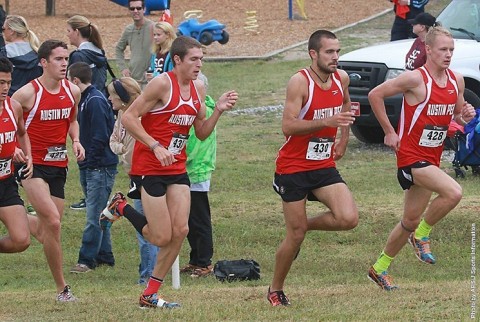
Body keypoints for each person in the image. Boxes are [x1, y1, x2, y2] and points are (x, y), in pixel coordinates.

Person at [101, 36, 238, 308]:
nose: (199, 64)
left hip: (176, 166)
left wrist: (218, 111)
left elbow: (200, 131)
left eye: (201, 59)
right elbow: (129, 117)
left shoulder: (198, 88)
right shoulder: (162, 83)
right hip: (149, 166)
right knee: (161, 236)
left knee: (181, 230)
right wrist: (154, 145)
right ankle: (121, 207)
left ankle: (149, 294)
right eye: (193, 59)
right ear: (177, 60)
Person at [367, 26, 476, 290]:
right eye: (442, 49)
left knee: (409, 220)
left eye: (451, 50)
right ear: (428, 50)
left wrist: (466, 115)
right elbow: (375, 94)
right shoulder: (415, 79)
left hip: (432, 158)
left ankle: (379, 268)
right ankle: (422, 236)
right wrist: (389, 131)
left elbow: (458, 115)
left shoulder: (456, 81)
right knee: (453, 192)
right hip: (411, 156)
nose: (448, 54)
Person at [268, 29, 358, 307]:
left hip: (323, 164)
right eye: (329, 52)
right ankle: (275, 290)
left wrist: (342, 139)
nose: (335, 57)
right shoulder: (300, 82)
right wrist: (326, 122)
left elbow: (346, 107)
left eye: (338, 52)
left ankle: (301, 228)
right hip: (293, 167)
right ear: (313, 54)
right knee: (293, 236)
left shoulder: (340, 78)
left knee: (348, 218)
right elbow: (288, 126)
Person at [12, 39, 84, 302]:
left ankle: (13, 214)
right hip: (32, 165)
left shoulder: (72, 91)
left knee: (46, 232)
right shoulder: (26, 94)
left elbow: (72, 119)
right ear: (43, 62)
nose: (64, 64)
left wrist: (75, 140)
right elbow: (7, 120)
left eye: (66, 59)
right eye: (58, 59)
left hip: (58, 166)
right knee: (53, 221)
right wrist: (14, 150)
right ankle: (63, 289)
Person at [107, 76, 159, 285]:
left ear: (123, 96)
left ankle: (148, 276)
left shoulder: (137, 117)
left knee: (147, 229)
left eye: (112, 96)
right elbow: (114, 141)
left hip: (145, 175)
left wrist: (122, 149)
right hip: (133, 175)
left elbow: (130, 150)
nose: (110, 100)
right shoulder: (121, 114)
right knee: (145, 229)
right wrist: (120, 148)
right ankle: (147, 272)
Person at [67, 62, 118, 273]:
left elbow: (100, 136)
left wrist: (90, 162)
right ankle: (104, 254)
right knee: (100, 212)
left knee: (93, 215)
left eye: (69, 82)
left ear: (76, 81)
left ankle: (86, 259)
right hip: (90, 166)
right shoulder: (85, 99)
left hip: (99, 167)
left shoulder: (94, 101)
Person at [66, 15, 111, 210]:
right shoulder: (98, 51)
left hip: (85, 104)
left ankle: (93, 197)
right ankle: (97, 195)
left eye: (68, 30)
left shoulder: (78, 55)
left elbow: (71, 84)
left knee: (85, 146)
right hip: (100, 102)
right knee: (97, 143)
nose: (67, 35)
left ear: (76, 32)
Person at [1, 15, 42, 216]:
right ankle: (34, 199)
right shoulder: (36, 53)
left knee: (8, 153)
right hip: (32, 111)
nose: (2, 33)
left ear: (12, 31)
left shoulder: (3, 54)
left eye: (4, 29)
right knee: (29, 156)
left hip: (8, 109)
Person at [180, 73, 217, 278]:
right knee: (189, 218)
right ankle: (195, 259)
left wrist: (183, 162)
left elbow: (193, 143)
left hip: (197, 170)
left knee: (199, 219)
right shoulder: (196, 109)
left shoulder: (204, 112)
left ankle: (204, 262)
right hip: (189, 170)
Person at [0, 56, 33, 253]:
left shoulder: (14, 107)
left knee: (21, 240)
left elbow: (21, 133)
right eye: (1, 83)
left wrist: (27, 155)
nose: (5, 88)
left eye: (9, 83)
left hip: (6, 182)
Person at [115, 0, 154, 88]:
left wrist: (155, 70)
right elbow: (118, 49)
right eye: (132, 8)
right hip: (134, 81)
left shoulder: (153, 27)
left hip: (150, 81)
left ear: (144, 9)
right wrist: (123, 68)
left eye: (138, 8)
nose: (135, 11)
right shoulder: (128, 30)